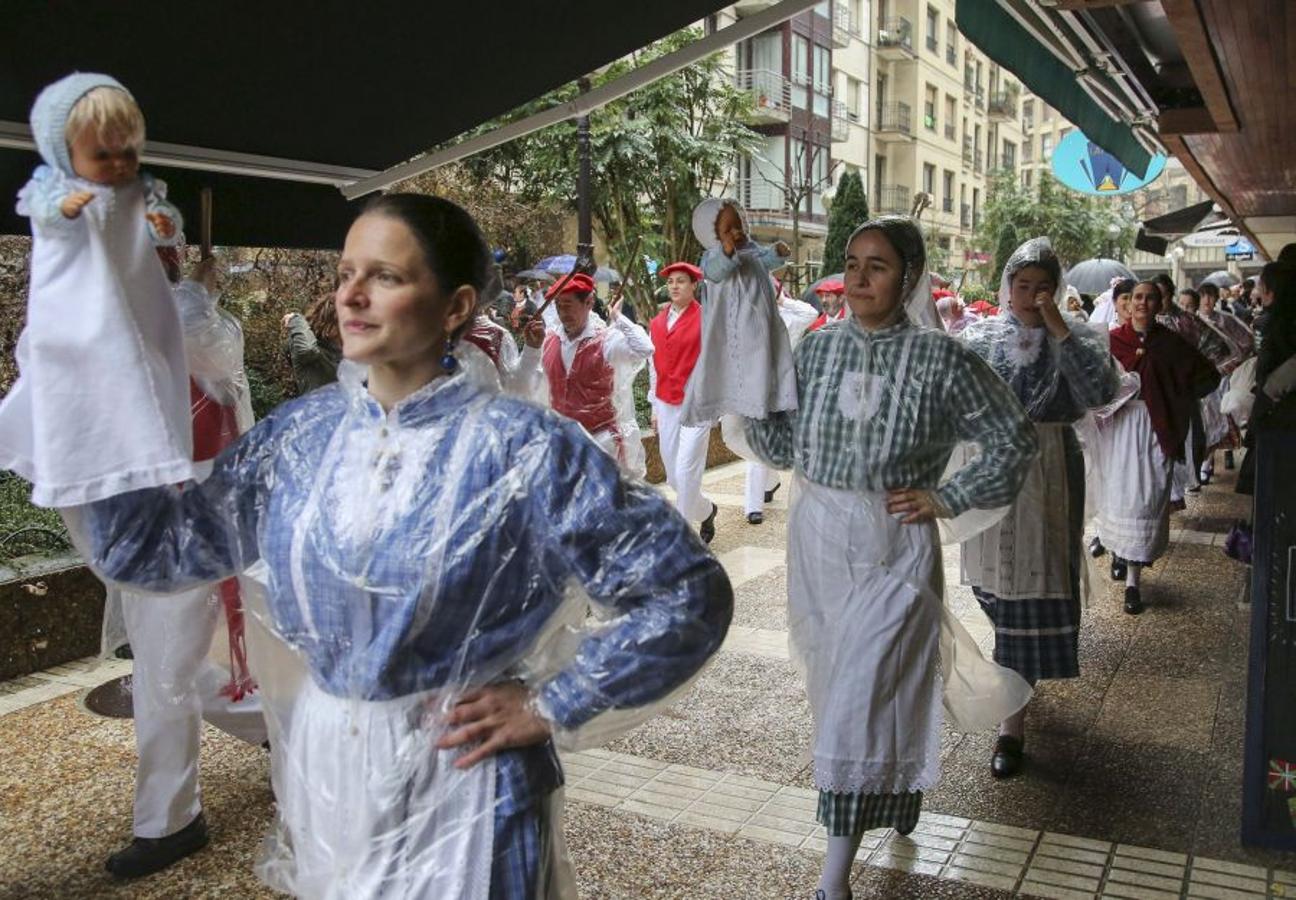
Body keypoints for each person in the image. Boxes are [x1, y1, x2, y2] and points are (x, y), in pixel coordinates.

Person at [59, 195, 734, 899]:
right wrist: (80, 379)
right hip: (331, 776)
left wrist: (552, 702)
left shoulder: (526, 450)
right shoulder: (297, 442)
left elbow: (686, 593)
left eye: (384, 275)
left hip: (468, 782)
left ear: (454, 306)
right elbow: (156, 551)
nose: (350, 293)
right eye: (347, 271)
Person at [741, 217, 1037, 900]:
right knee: (841, 685)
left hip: (894, 540)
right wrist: (750, 385)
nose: (859, 277)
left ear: (909, 275)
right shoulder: (814, 352)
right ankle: (897, 803)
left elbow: (1013, 436)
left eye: (877, 265)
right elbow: (782, 447)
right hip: (817, 536)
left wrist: (949, 496)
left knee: (860, 695)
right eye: (851, 262)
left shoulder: (943, 358)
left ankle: (833, 877)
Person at [107, 251, 269, 878]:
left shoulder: (194, 332)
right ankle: (283, 728)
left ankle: (168, 820)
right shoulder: (155, 331)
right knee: (177, 670)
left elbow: (189, 332)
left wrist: (191, 287)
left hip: (188, 524)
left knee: (166, 676)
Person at [958, 238, 1119, 779]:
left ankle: (1012, 726)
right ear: (1007, 287)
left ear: (1058, 289)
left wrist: (1059, 326)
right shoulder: (981, 337)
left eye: (1042, 286)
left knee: (1027, 587)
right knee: (991, 587)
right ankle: (1019, 678)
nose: (1030, 296)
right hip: (993, 468)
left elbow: (1099, 391)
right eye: (1022, 285)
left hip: (1050, 468)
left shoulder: (1080, 339)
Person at [0, 72, 194, 506]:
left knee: (147, 374)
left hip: (134, 300)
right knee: (76, 381)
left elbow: (165, 224)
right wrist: (60, 208)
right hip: (78, 308)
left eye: (128, 152)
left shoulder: (140, 191)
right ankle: (85, 464)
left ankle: (145, 462)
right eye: (102, 154)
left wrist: (163, 224)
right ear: (64, 153)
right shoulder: (55, 187)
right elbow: (44, 215)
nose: (119, 164)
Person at [1094, 280, 1219, 611]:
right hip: (1119, 431)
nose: (1143, 303)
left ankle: (1134, 580)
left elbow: (1208, 377)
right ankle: (1120, 555)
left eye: (1150, 298)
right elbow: (1091, 384)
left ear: (1160, 303)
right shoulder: (1112, 341)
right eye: (1137, 297)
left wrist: (1174, 400)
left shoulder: (1171, 344)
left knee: (1146, 499)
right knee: (1120, 495)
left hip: (1154, 429)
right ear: (1127, 302)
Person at [679, 197, 796, 425]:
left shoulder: (753, 252)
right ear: (712, 236)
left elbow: (767, 260)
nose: (736, 232)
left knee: (763, 360)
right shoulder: (712, 258)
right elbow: (713, 273)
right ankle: (735, 400)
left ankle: (762, 399)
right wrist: (726, 253)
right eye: (727, 229)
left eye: (739, 225)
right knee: (734, 362)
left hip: (760, 324)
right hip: (732, 327)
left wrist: (778, 253)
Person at [536, 273, 653, 477]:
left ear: (588, 302)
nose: (563, 313)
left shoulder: (606, 341)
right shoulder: (550, 340)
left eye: (568, 305)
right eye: (558, 306)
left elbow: (645, 348)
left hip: (602, 441)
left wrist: (618, 317)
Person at [650, 261, 720, 543]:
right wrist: (654, 406)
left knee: (686, 469)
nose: (675, 286)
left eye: (681, 281)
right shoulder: (656, 323)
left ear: (694, 286)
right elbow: (653, 366)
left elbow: (717, 363)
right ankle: (706, 511)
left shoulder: (707, 319)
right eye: (671, 282)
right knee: (674, 478)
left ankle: (680, 541)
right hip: (666, 403)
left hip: (697, 405)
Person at [743, 279, 818, 524]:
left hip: (787, 390)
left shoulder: (791, 317)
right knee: (755, 449)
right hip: (757, 389)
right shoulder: (749, 317)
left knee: (782, 442)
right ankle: (753, 506)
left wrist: (783, 300)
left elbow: (811, 312)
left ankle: (773, 480)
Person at [282, 294, 343, 392]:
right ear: (327, 322)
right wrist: (296, 320)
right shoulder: (309, 347)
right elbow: (307, 350)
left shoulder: (340, 350)